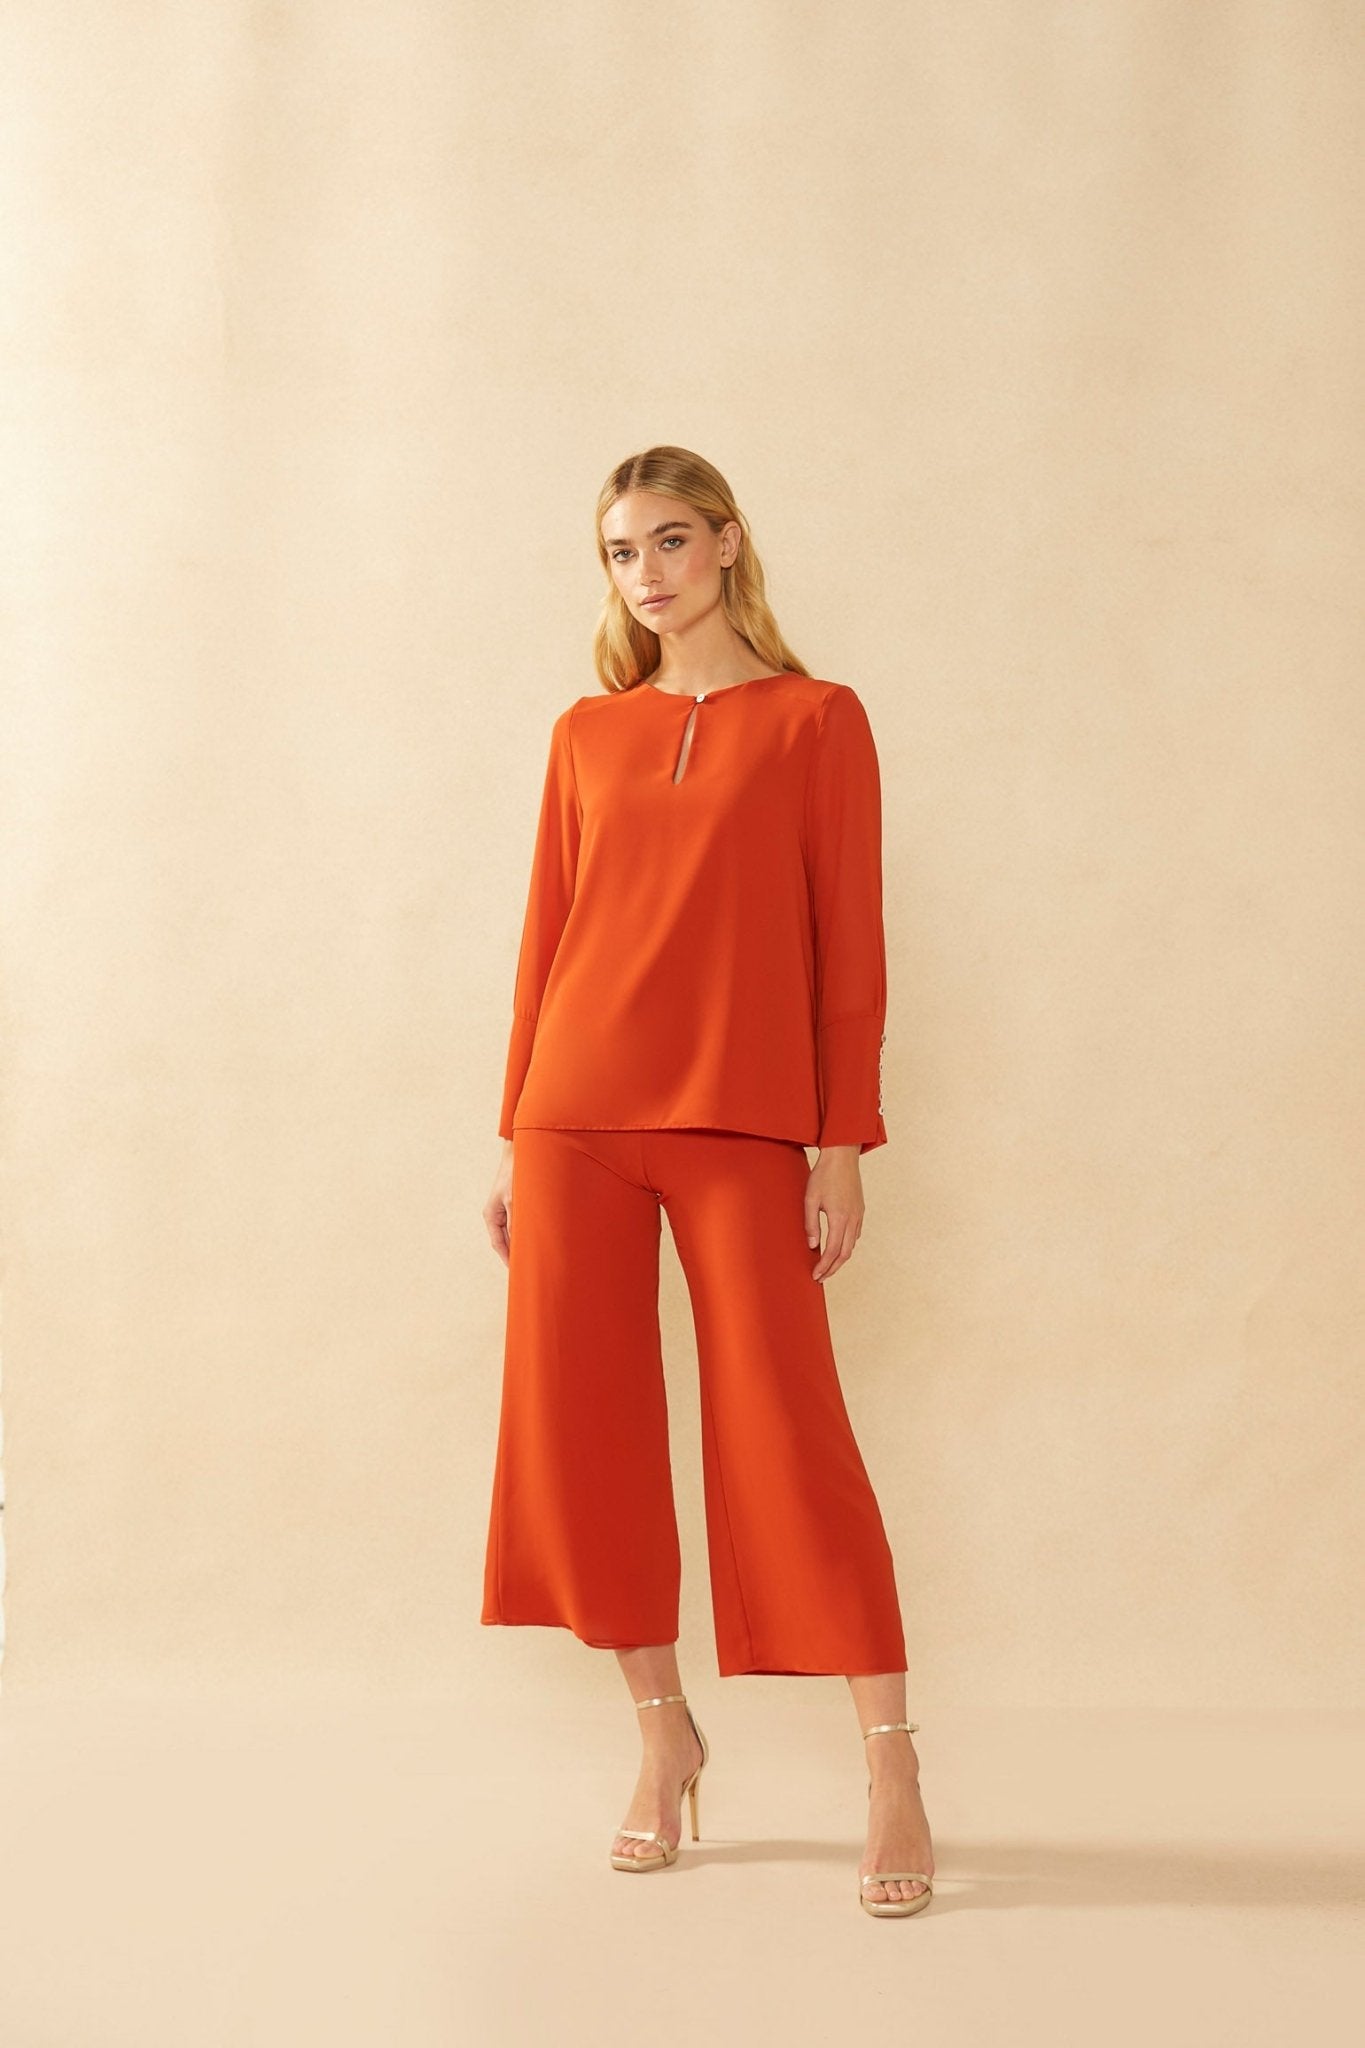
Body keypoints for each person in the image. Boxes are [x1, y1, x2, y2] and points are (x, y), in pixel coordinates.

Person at [479, 444, 935, 1918]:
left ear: (727, 544)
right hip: (574, 1122)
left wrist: (841, 1141)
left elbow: (849, 946)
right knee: (584, 1433)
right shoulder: (586, 733)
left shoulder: (816, 721)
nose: (648, 575)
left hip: (742, 1123)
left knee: (786, 1427)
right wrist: (514, 1131)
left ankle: (890, 1766)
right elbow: (546, 939)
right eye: (622, 553)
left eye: (670, 542)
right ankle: (661, 1733)